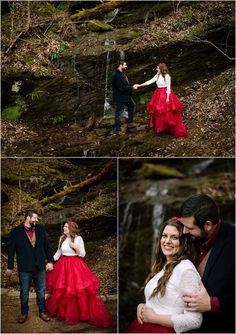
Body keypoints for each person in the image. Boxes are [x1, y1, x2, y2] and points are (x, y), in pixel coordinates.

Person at [126, 218, 203, 333]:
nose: (167, 241)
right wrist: (144, 306)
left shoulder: (186, 270)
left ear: (184, 242)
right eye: (164, 236)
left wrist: (153, 318)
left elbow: (195, 320)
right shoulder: (164, 266)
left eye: (174, 237)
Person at [179, 194, 235, 333]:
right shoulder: (182, 234)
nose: (184, 231)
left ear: (208, 225)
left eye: (190, 228)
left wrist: (212, 304)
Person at [45, 221, 114, 327]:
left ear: (72, 228)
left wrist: (76, 248)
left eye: (66, 227)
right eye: (64, 226)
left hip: (75, 265)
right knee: (62, 289)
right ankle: (63, 313)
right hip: (62, 265)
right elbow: (59, 252)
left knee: (76, 290)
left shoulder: (78, 238)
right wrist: (50, 261)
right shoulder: (62, 238)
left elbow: (83, 254)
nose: (64, 228)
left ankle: (81, 314)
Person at [5, 210, 54, 324]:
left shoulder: (41, 229)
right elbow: (11, 251)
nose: (37, 220)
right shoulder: (16, 232)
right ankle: (24, 313)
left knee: (41, 290)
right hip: (24, 267)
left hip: (40, 266)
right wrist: (10, 267)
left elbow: (46, 246)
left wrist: (50, 261)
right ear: (28, 217)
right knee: (24, 292)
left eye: (37, 218)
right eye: (35, 218)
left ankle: (42, 311)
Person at [133, 63, 187, 137]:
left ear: (161, 68)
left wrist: (168, 98)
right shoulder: (157, 75)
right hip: (158, 94)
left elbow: (168, 88)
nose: (156, 69)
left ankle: (169, 127)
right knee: (158, 111)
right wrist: (139, 85)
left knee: (166, 111)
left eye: (157, 68)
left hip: (165, 94)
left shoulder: (167, 76)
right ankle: (162, 128)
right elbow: (149, 82)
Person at [112, 60, 136, 135]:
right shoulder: (116, 75)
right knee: (119, 113)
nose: (126, 66)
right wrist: (132, 87)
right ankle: (118, 130)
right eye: (125, 65)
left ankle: (130, 123)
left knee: (132, 106)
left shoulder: (123, 74)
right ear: (120, 65)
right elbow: (121, 88)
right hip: (120, 97)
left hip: (127, 96)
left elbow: (125, 84)